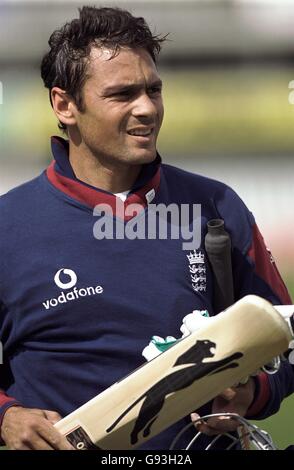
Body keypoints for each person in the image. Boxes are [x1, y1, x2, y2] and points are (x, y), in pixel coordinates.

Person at [0, 6, 293, 451]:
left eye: (153, 89)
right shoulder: (9, 226)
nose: (147, 108)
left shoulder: (216, 206)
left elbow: (286, 343)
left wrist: (251, 395)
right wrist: (6, 416)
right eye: (122, 94)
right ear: (64, 105)